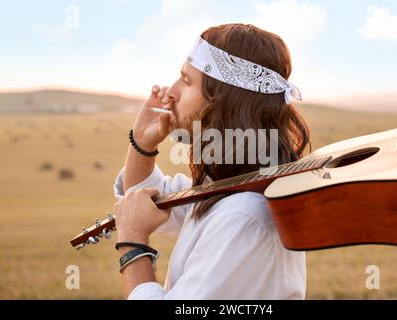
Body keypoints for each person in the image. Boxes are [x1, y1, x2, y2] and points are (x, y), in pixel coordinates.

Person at [113, 23, 311, 299]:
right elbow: (145, 198)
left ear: (224, 102)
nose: (170, 92)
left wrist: (133, 244)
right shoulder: (226, 186)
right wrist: (143, 144)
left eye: (186, 81)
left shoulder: (243, 215)